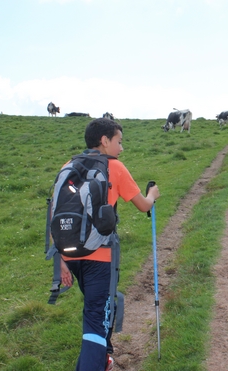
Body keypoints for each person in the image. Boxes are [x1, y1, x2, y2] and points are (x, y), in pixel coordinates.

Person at [59, 118, 160, 371]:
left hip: (70, 255)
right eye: (119, 142)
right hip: (100, 257)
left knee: (97, 311)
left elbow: (56, 214)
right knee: (96, 320)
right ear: (105, 141)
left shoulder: (69, 165)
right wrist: (152, 195)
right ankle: (97, 360)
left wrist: (60, 259)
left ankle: (103, 358)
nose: (121, 148)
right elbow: (143, 206)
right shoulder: (114, 167)